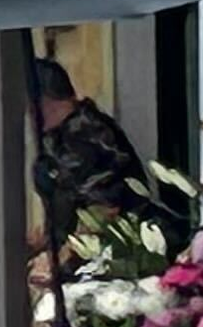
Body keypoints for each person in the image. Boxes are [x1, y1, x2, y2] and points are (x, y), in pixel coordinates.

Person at [29, 53, 170, 269]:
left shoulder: (86, 136)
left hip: (116, 262)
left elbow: (103, 211)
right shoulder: (59, 136)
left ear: (43, 100)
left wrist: (57, 262)